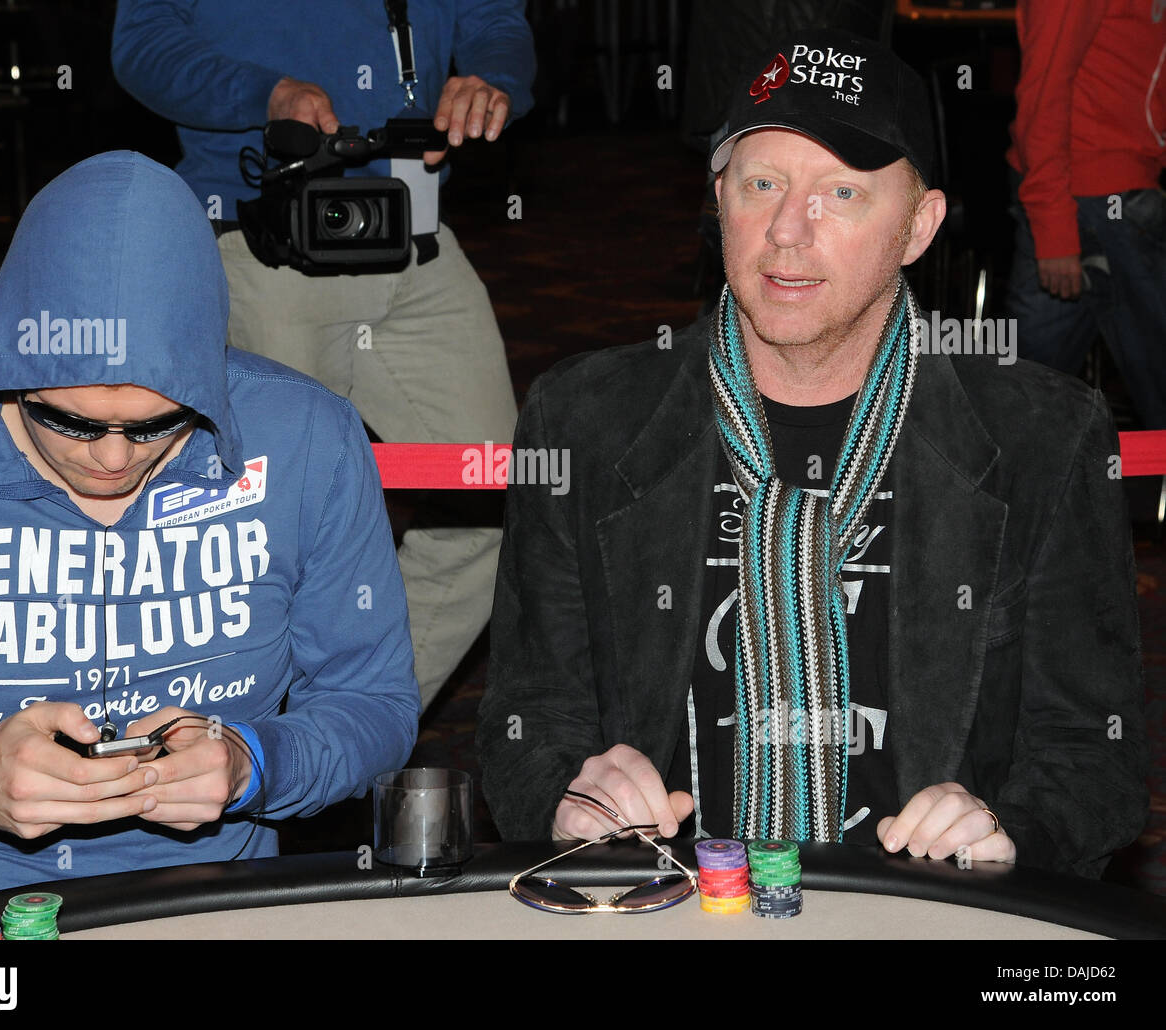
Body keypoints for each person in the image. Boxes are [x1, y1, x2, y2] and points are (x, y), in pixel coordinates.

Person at [476, 29, 1148, 879]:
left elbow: (1097, 756)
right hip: (672, 904)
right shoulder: (586, 418)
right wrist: (562, 796)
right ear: (718, 199)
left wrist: (1011, 830)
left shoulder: (1042, 435)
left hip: (926, 915)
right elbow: (526, 722)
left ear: (918, 226)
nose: (789, 230)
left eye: (842, 192)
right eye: (762, 184)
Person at [0, 151, 418, 913]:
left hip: (206, 907)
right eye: (70, 422)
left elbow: (374, 703)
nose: (116, 459)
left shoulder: (307, 439)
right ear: (7, 369)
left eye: (162, 424)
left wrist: (253, 762)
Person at [111, 0, 537, 710]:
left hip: (415, 232)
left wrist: (490, 79)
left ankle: (349, 732)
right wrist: (265, 93)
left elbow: (496, 19)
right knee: (271, 541)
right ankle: (248, 748)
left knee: (492, 498)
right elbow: (143, 42)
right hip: (263, 241)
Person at [1005, 0, 1166, 429]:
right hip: (1089, 200)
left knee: (1026, 408)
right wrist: (1054, 228)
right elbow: (1044, 91)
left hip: (1118, 192)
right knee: (1023, 408)